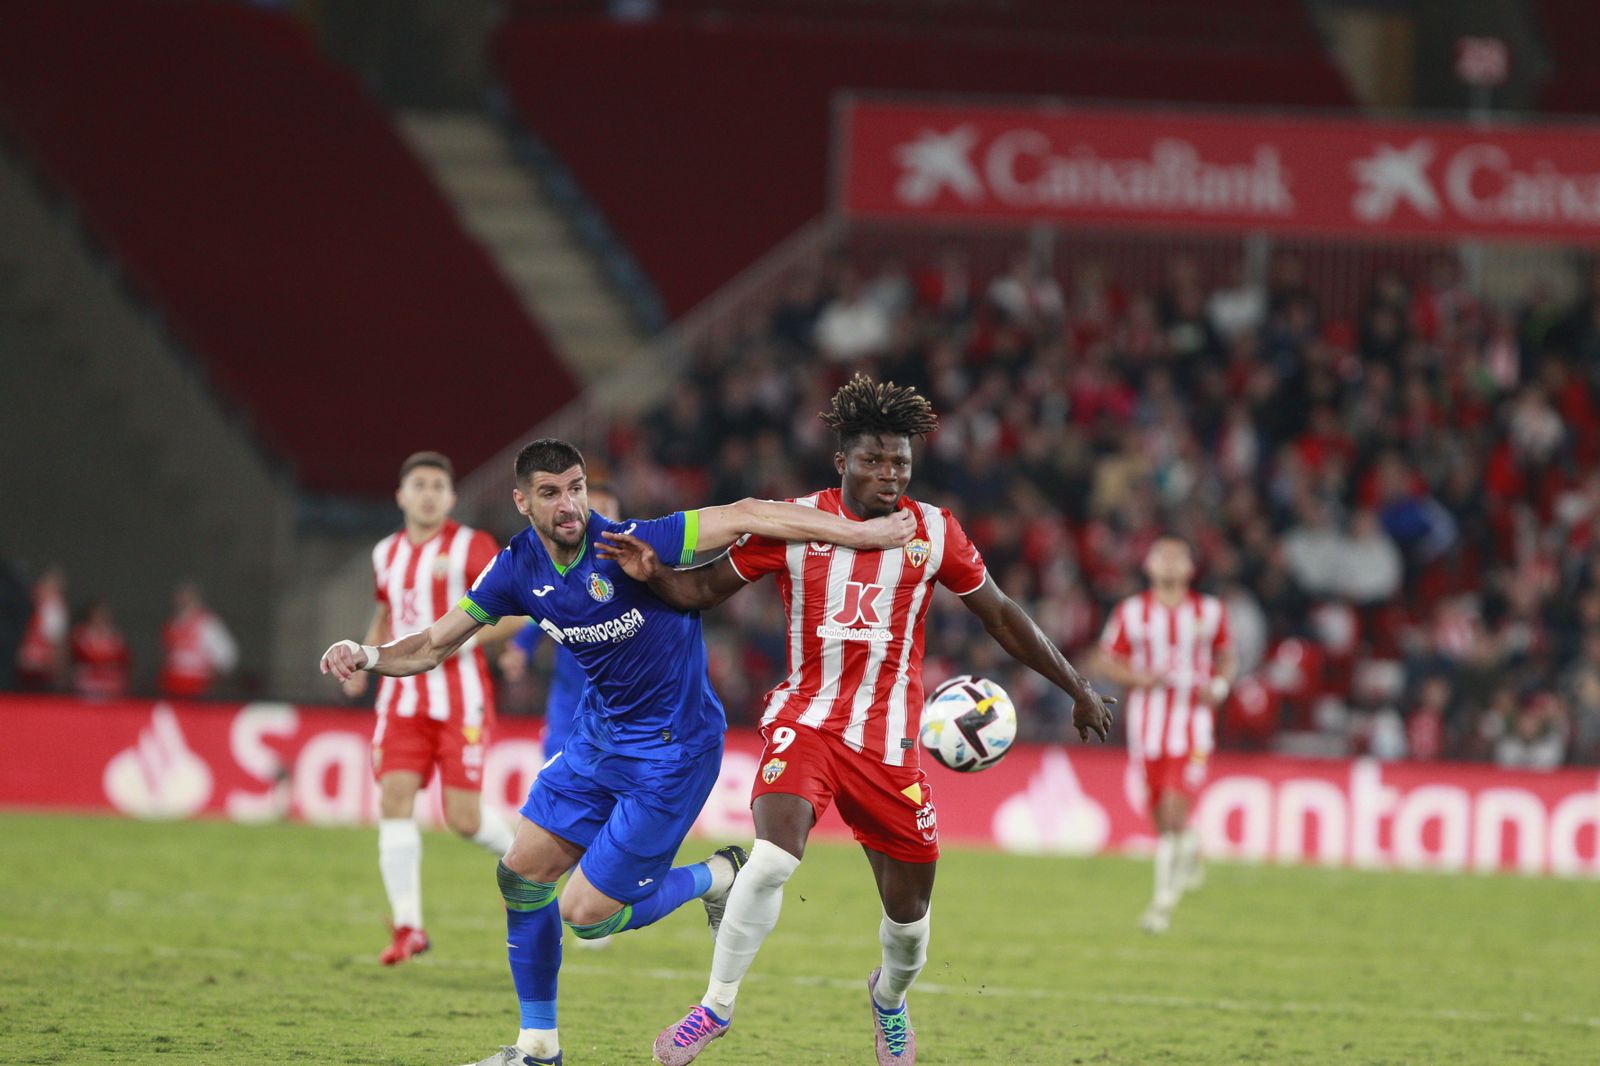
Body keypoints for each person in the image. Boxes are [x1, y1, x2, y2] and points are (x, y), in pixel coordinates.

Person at [320, 437, 915, 1066]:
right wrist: (368, 655)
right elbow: (432, 644)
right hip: (597, 742)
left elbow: (747, 514)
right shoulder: (514, 568)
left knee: (587, 916)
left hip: (672, 755)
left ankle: (717, 876)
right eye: (551, 493)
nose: (569, 504)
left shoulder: (634, 543)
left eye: (575, 488)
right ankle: (537, 1048)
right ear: (522, 502)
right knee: (520, 875)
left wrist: (862, 534)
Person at [598, 375, 1115, 1066]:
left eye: (900, 461)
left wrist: (1077, 685)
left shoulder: (935, 531)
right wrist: (655, 573)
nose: (889, 473)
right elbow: (702, 589)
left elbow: (999, 613)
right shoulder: (793, 524)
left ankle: (889, 1000)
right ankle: (713, 1008)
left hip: (889, 745)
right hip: (805, 723)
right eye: (873, 460)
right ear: (842, 461)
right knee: (771, 859)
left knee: (909, 923)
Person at [340, 451, 516, 966]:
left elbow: (520, 610)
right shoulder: (385, 553)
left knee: (462, 818)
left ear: (452, 497)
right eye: (419, 484)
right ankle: (408, 928)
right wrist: (364, 660)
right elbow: (386, 611)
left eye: (438, 486)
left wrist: (460, 641)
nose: (428, 494)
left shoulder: (472, 546)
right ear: (401, 495)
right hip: (401, 700)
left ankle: (527, 867)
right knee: (394, 800)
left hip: (461, 698)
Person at [499, 482, 621, 951]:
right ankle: (552, 889)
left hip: (617, 717)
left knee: (608, 809)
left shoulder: (633, 573)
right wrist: (519, 650)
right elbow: (537, 614)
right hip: (568, 710)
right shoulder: (562, 574)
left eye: (607, 511)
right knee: (560, 801)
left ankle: (593, 897)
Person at [1093, 537, 1234, 935]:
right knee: (1160, 818)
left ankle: (1161, 907)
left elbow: (1227, 656)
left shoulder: (1210, 611)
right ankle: (1189, 849)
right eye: (1162, 556)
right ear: (1149, 566)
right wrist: (1137, 677)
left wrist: (1220, 685)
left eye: (1178, 556)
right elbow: (1105, 659)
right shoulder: (1131, 612)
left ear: (1191, 567)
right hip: (1147, 731)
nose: (1170, 562)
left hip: (1193, 727)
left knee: (1173, 811)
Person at [159, 581, 239, 698]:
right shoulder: (172, 624)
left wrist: (215, 677)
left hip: (199, 687)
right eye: (180, 596)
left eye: (187, 596)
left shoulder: (207, 623)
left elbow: (227, 655)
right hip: (172, 685)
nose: (182, 600)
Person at [16, 566, 67, 690]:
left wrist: (58, 667)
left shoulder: (54, 608)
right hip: (23, 661)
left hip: (43, 663)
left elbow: (57, 641)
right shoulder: (27, 603)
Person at [70, 599, 130, 700]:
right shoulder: (81, 634)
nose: (101, 618)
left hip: (111, 684)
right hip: (88, 685)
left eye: (104, 615)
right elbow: (82, 655)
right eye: (98, 615)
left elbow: (124, 659)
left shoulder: (115, 635)